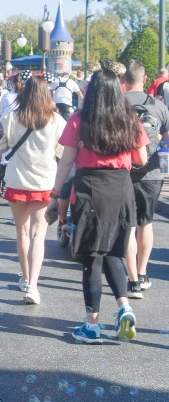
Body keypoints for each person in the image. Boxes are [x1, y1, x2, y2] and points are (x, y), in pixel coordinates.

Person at [46, 67, 147, 343]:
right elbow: (141, 158)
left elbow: (66, 162)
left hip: (90, 188)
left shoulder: (80, 119)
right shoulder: (130, 119)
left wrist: (55, 195)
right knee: (114, 251)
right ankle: (124, 308)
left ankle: (92, 325)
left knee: (92, 257)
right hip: (121, 188)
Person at [0, 76, 66, 305]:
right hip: (44, 182)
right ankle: (33, 285)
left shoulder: (12, 117)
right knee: (38, 235)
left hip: (17, 180)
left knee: (21, 232)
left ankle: (24, 277)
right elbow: (63, 152)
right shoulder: (55, 120)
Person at [122, 61, 169, 298]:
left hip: (123, 171)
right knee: (146, 223)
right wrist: (164, 169)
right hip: (152, 173)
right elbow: (167, 142)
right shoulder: (159, 106)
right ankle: (142, 272)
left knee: (128, 226)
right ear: (145, 77)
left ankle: (131, 281)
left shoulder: (117, 104)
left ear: (124, 80)